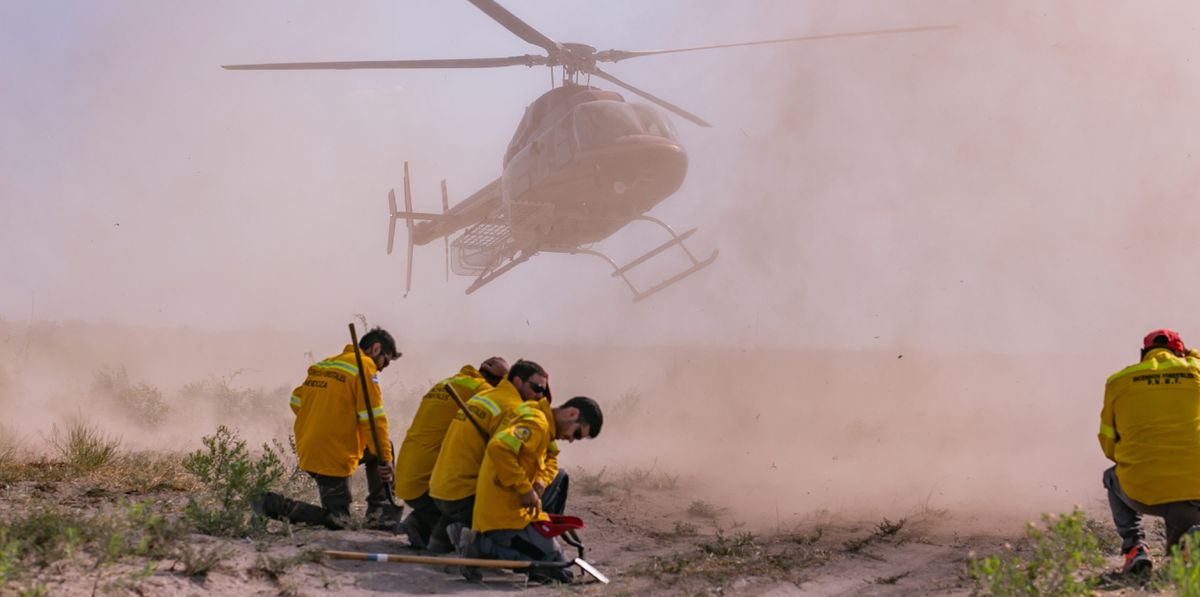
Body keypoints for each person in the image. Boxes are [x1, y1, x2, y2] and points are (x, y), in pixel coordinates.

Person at [254, 327, 403, 530]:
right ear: (376, 349)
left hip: (311, 447)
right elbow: (374, 420)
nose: (383, 368)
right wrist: (386, 462)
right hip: (331, 455)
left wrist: (324, 419)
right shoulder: (365, 367)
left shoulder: (325, 364)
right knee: (339, 520)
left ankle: (378, 516)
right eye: (386, 361)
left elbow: (296, 399)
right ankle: (270, 504)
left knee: (380, 449)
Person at [464, 396, 603, 583]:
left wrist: (540, 480)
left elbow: (551, 457)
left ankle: (490, 542)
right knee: (558, 568)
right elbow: (498, 448)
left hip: (512, 512)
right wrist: (524, 489)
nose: (571, 440)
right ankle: (481, 545)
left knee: (556, 562)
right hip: (503, 517)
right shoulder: (537, 424)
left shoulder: (540, 419)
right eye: (576, 433)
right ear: (572, 413)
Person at [1100, 328, 1200, 575]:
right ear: (1181, 352)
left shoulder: (1118, 381)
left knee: (1111, 476)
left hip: (1143, 490)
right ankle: (1191, 541)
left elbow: (1108, 444)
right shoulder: (1196, 371)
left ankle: (1135, 548)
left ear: (1143, 354)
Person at [428, 359, 550, 550]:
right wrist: (530, 487)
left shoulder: (486, 395)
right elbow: (505, 457)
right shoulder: (514, 408)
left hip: (439, 490)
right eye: (537, 388)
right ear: (517, 382)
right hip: (462, 496)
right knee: (522, 485)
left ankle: (441, 538)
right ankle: (483, 543)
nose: (540, 395)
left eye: (544, 391)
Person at [394, 357, 509, 551]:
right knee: (474, 496)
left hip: (407, 477)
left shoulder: (447, 383)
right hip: (427, 484)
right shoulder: (483, 392)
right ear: (499, 382)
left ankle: (420, 523)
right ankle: (437, 537)